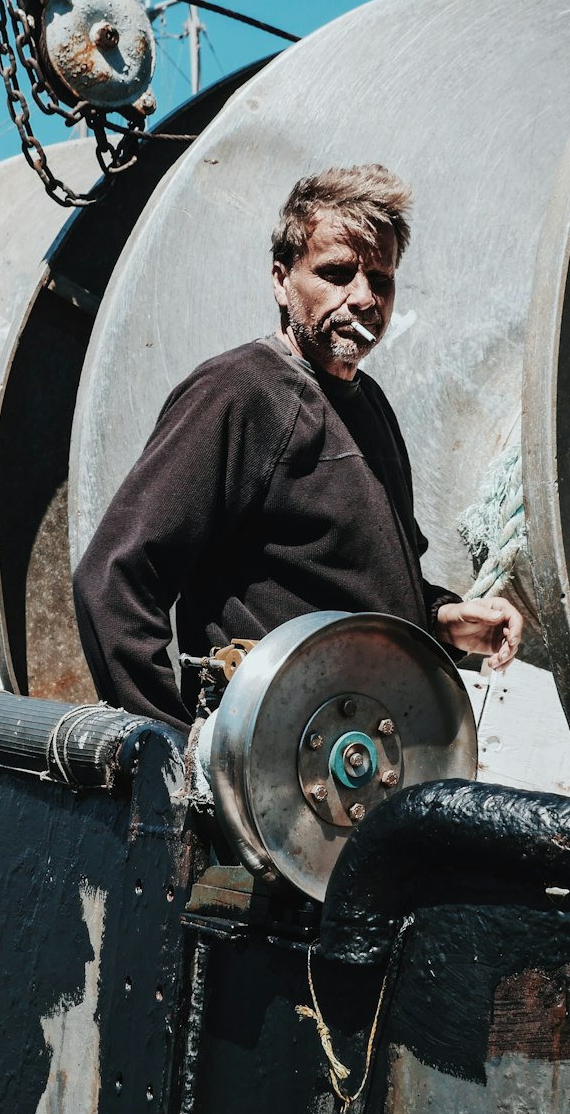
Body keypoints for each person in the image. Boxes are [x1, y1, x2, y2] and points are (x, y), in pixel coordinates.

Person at [72, 164, 522, 731]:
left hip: (366, 761)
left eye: (380, 280)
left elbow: (363, 592)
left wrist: (445, 619)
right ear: (282, 281)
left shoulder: (371, 406)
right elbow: (115, 576)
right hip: (271, 772)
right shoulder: (240, 391)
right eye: (336, 273)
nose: (362, 297)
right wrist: (169, 751)